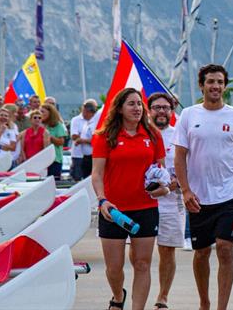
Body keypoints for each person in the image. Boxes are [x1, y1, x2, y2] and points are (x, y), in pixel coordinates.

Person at [173, 64, 233, 310]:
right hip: (198, 199)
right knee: (202, 252)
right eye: (210, 82)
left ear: (224, 86)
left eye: (219, 82)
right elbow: (179, 156)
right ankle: (204, 302)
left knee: (225, 249)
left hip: (229, 196)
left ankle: (221, 307)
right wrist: (185, 190)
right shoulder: (189, 115)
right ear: (202, 86)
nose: (215, 86)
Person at [92, 88, 168, 310]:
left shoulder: (153, 135)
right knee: (114, 268)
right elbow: (96, 174)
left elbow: (161, 172)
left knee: (142, 264)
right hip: (113, 210)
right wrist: (102, 200)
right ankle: (117, 297)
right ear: (120, 108)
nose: (137, 108)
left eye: (139, 104)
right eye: (131, 104)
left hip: (145, 208)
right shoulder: (105, 136)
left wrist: (162, 187)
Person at [147, 92, 184, 310]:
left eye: (166, 108)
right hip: (141, 202)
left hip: (171, 201)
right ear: (149, 110)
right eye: (157, 107)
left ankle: (163, 297)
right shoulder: (140, 134)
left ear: (171, 111)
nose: (162, 111)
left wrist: (171, 186)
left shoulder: (179, 135)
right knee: (138, 253)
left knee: (167, 250)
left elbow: (187, 166)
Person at [70, 100, 98, 182]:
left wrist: (82, 140)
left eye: (85, 111)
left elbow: (96, 140)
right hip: (80, 155)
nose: (84, 114)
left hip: (91, 156)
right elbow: (74, 136)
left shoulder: (94, 122)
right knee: (78, 178)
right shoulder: (79, 121)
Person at [41, 102, 67, 180]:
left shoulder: (58, 125)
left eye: (43, 112)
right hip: (41, 159)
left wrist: (49, 136)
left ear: (50, 113)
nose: (41, 114)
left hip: (55, 159)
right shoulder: (39, 124)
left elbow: (61, 142)